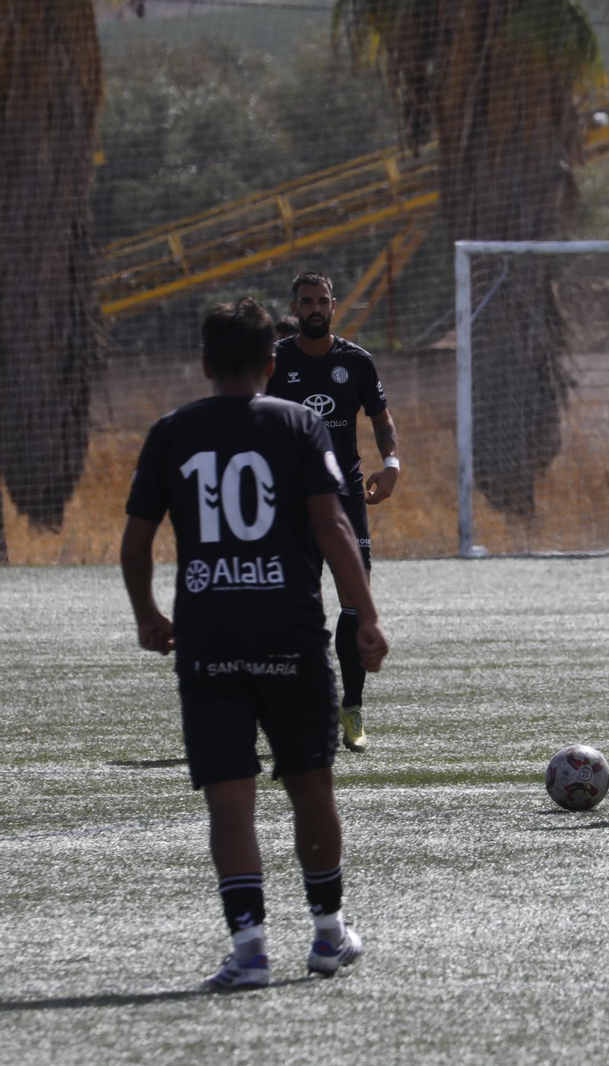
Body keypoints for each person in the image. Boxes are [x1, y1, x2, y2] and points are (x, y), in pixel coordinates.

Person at [121, 297, 389, 991]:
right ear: (272, 364)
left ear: (205, 364)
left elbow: (135, 540)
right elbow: (332, 528)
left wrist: (149, 614)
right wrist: (365, 615)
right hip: (290, 632)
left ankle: (249, 949)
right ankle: (328, 934)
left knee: (230, 800)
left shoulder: (172, 431)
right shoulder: (299, 424)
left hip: (209, 636)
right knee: (311, 783)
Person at [266, 272, 399, 753]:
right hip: (290, 500)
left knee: (354, 602)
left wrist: (391, 464)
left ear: (334, 305)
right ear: (295, 307)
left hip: (345, 497)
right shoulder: (275, 361)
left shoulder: (356, 361)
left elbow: (381, 418)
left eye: (322, 300)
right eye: (306, 302)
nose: (315, 308)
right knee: (291, 607)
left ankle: (352, 705)